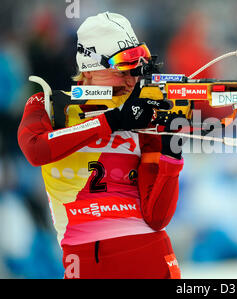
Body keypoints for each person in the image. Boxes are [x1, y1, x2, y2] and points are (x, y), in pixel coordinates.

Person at [18, 12, 184, 279]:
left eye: (135, 70)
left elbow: (157, 217)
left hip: (150, 257)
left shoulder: (142, 111)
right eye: (121, 71)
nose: (131, 80)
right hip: (85, 262)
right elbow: (35, 149)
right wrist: (113, 120)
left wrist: (171, 148)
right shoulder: (49, 103)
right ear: (89, 68)